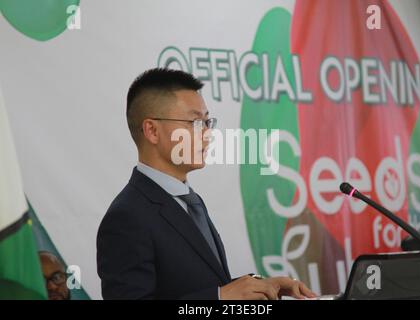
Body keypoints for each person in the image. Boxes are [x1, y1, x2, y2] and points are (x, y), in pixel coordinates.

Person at [96, 68, 316, 300]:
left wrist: (257, 288)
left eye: (207, 122)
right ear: (152, 130)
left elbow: (198, 286)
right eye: (194, 122)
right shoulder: (126, 217)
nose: (208, 134)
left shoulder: (189, 200)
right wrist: (219, 298)